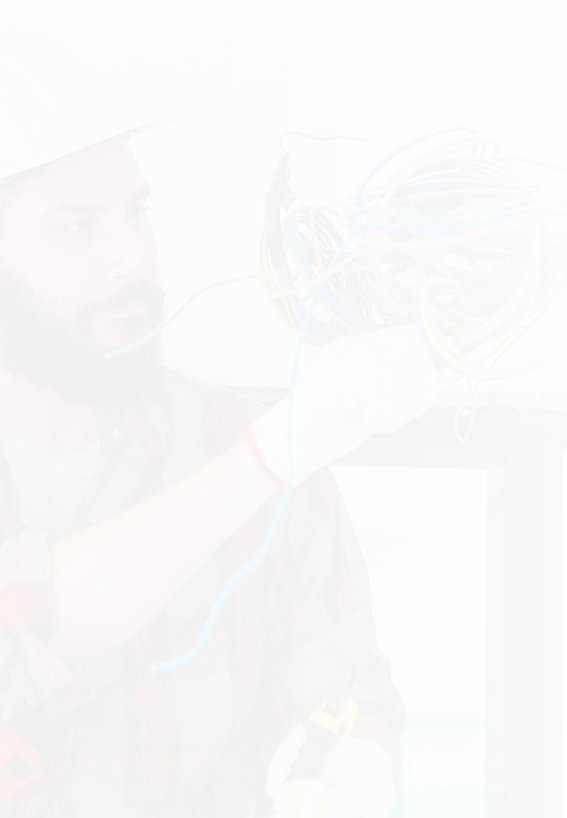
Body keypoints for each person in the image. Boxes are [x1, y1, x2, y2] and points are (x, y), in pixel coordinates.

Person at [0, 20, 440, 818]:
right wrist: (264, 458)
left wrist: (347, 761)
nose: (135, 257)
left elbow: (340, 695)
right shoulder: (269, 452)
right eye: (79, 224)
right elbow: (26, 620)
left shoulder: (254, 448)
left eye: (136, 211)